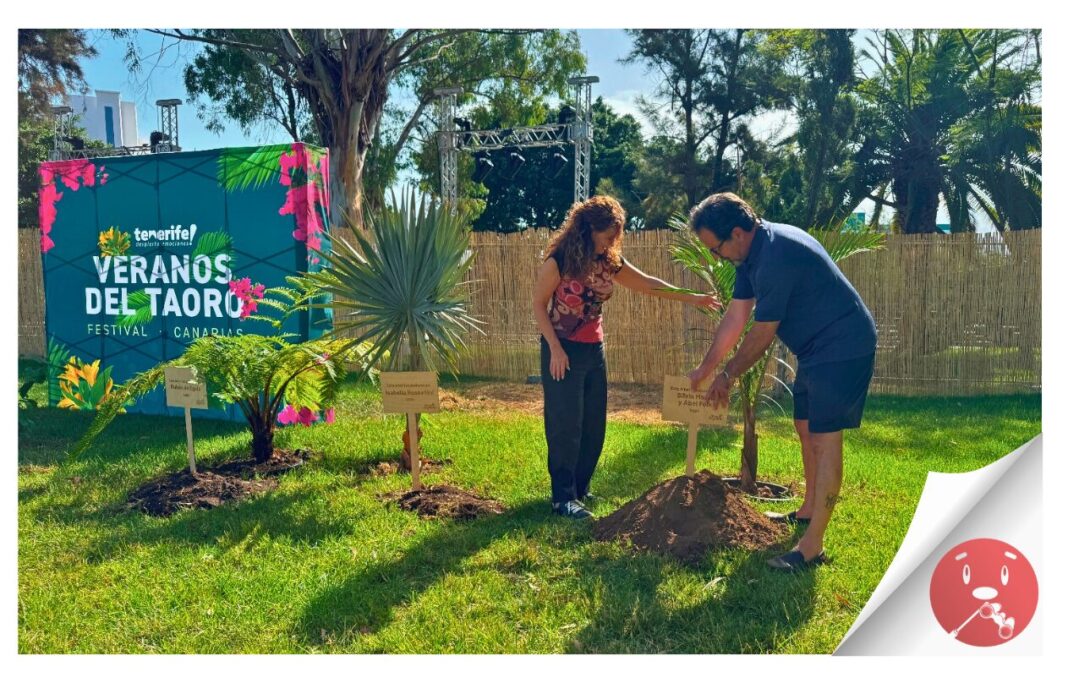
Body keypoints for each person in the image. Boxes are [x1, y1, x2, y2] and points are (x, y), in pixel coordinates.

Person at [686, 192, 877, 571]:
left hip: (843, 346)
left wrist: (728, 374)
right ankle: (807, 511)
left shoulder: (775, 256)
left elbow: (762, 333)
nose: (716, 258)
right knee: (804, 426)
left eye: (715, 248)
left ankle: (812, 547)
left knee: (825, 438)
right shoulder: (751, 254)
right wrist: (706, 369)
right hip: (816, 349)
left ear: (737, 233)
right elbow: (736, 317)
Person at [533, 196, 721, 519]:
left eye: (616, 235)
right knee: (565, 424)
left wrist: (694, 298)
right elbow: (538, 305)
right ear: (590, 228)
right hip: (562, 349)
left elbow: (647, 284)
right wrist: (555, 348)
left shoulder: (608, 261)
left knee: (593, 425)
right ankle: (562, 498)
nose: (613, 241)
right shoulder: (559, 261)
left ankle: (580, 489)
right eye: (609, 235)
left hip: (594, 349)